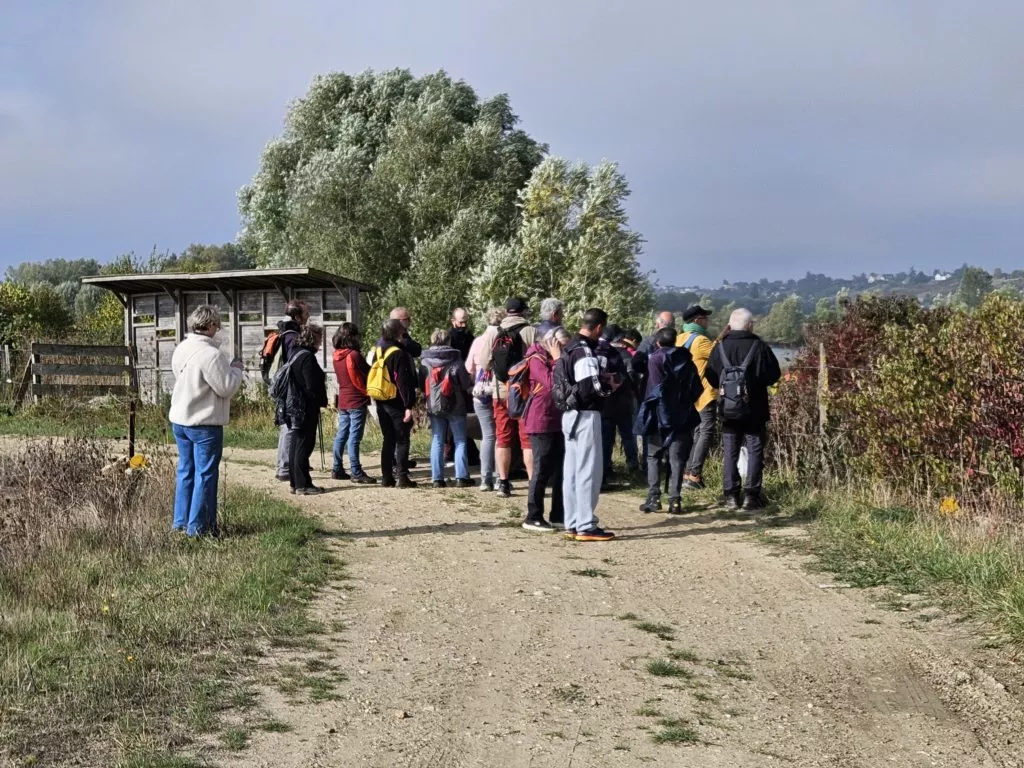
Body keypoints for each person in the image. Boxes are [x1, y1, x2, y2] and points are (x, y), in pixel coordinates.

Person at [169, 305, 244, 536]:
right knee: (205, 475)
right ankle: (199, 528)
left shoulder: (182, 347)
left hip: (180, 419)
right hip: (204, 423)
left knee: (186, 472)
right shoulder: (211, 354)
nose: (218, 328)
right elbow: (226, 388)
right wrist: (237, 370)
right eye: (217, 324)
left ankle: (181, 523)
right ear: (210, 326)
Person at [705, 308, 782, 511]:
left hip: (728, 408)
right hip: (755, 407)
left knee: (730, 449)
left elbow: (711, 376)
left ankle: (730, 496)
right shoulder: (760, 347)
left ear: (730, 326)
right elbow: (774, 374)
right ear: (750, 325)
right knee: (755, 448)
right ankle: (751, 496)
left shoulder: (720, 347)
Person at [558, 308, 616, 542]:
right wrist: (611, 384)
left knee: (571, 472)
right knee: (588, 472)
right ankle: (586, 524)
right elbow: (590, 388)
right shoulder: (584, 352)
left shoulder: (568, 348)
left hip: (569, 414)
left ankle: (572, 522)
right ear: (600, 327)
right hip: (586, 414)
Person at [636, 328, 703, 514]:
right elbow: (697, 389)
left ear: (657, 343)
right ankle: (675, 500)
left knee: (653, 456)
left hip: (658, 416)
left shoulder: (655, 359)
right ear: (675, 341)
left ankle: (654, 497)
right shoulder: (687, 360)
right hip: (682, 416)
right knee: (677, 459)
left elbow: (653, 390)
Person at [478, 297, 538, 497]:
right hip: (524, 391)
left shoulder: (494, 333)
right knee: (526, 439)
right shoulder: (530, 331)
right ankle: (532, 483)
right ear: (523, 311)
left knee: (503, 437)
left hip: (500, 392)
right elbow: (538, 360)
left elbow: (484, 364)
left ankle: (503, 482)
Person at [521, 326, 570, 532]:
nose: (564, 351)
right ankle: (533, 516)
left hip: (557, 419)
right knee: (541, 470)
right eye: (562, 346)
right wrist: (559, 359)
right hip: (540, 420)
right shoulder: (535, 359)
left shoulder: (553, 358)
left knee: (561, 470)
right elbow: (552, 383)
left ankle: (558, 514)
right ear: (551, 342)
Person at [422, 328, 474, 488]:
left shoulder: (424, 362)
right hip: (456, 405)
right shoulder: (456, 360)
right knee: (460, 440)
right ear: (448, 341)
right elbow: (465, 384)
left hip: (434, 405)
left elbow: (420, 384)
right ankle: (461, 477)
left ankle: (437, 478)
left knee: (437, 439)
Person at [282, 324, 329, 495]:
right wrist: (320, 400)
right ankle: (303, 485)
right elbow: (311, 386)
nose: (320, 342)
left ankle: (296, 483)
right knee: (304, 445)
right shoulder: (307, 357)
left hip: (294, 406)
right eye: (319, 338)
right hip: (305, 407)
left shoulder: (295, 353)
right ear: (313, 338)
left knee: (296, 444)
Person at [374, 318, 419, 488]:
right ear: (397, 333)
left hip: (380, 399)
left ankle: (386, 477)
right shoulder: (398, 353)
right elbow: (403, 383)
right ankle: (402, 477)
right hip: (396, 402)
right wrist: (408, 406)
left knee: (388, 439)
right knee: (402, 440)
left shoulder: (378, 349)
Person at [677, 305, 718, 490]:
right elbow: (718, 358)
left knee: (694, 434)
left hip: (686, 396)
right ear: (697, 321)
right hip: (704, 395)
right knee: (705, 433)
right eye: (704, 318)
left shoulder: (679, 338)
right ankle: (694, 475)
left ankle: (687, 472)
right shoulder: (701, 341)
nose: (707, 321)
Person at [331, 322, 376, 484]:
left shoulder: (336, 356)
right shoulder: (354, 355)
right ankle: (356, 471)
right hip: (357, 400)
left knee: (341, 435)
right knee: (354, 438)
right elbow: (368, 371)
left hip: (343, 400)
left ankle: (337, 468)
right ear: (352, 337)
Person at [466, 307, 505, 491]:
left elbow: (469, 368)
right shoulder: (505, 340)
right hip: (499, 392)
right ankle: (501, 478)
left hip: (481, 393)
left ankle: (485, 479)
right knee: (501, 436)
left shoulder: (478, 341)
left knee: (488, 436)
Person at [599, 324, 640, 483]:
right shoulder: (626, 356)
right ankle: (633, 468)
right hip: (623, 402)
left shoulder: (602, 354)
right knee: (628, 437)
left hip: (606, 402)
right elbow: (633, 379)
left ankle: (605, 469)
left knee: (606, 439)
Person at [275, 300, 309, 482]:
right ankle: (285, 467)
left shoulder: (284, 332)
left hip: (283, 385)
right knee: (289, 426)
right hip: (290, 386)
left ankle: (284, 465)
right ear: (297, 316)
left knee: (286, 425)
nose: (308, 316)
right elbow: (296, 364)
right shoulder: (292, 336)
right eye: (305, 313)